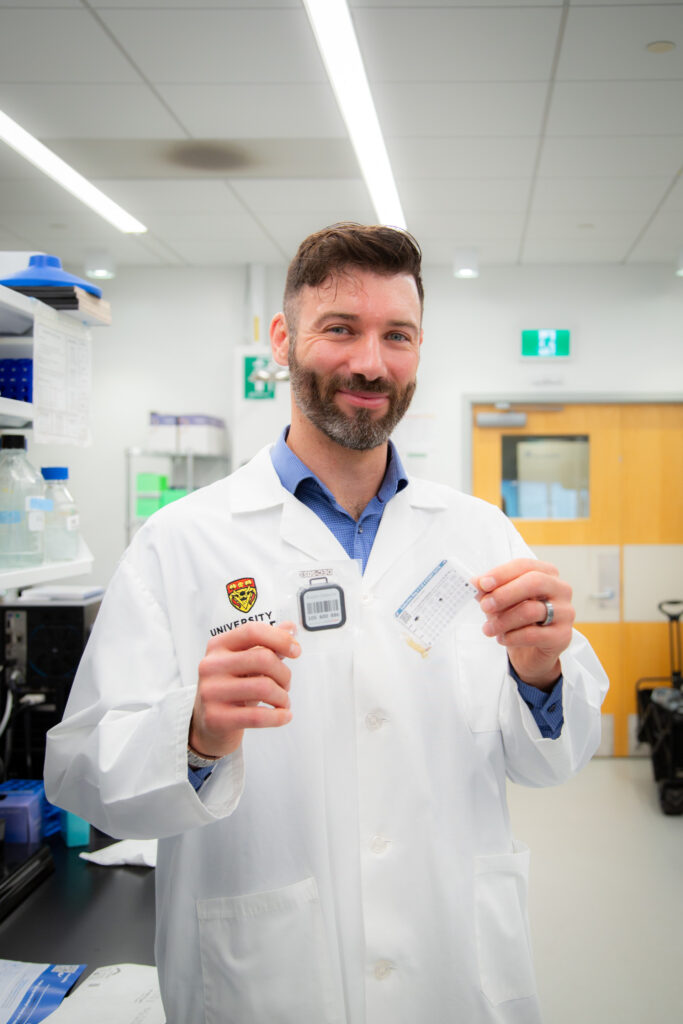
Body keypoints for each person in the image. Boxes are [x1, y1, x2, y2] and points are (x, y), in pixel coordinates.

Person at [45, 223, 608, 1024]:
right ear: (283, 338)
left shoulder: (479, 534)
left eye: (397, 336)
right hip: (266, 974)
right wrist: (195, 735)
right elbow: (82, 775)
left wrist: (542, 675)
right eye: (340, 328)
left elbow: (549, 763)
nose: (370, 363)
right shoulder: (182, 542)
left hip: (452, 967)